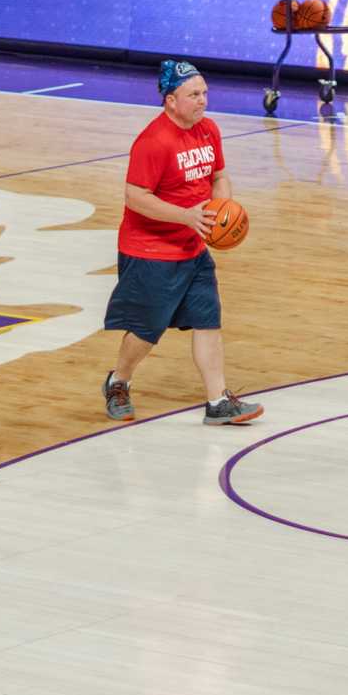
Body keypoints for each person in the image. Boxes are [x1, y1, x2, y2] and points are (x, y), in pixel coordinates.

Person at [99, 60, 264, 427]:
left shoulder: (208, 130)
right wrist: (187, 216)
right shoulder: (153, 141)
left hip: (193, 250)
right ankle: (119, 381)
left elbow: (219, 175)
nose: (203, 100)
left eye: (205, 93)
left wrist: (223, 208)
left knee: (208, 321)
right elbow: (134, 196)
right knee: (146, 331)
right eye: (194, 94)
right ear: (171, 100)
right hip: (150, 252)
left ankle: (218, 401)